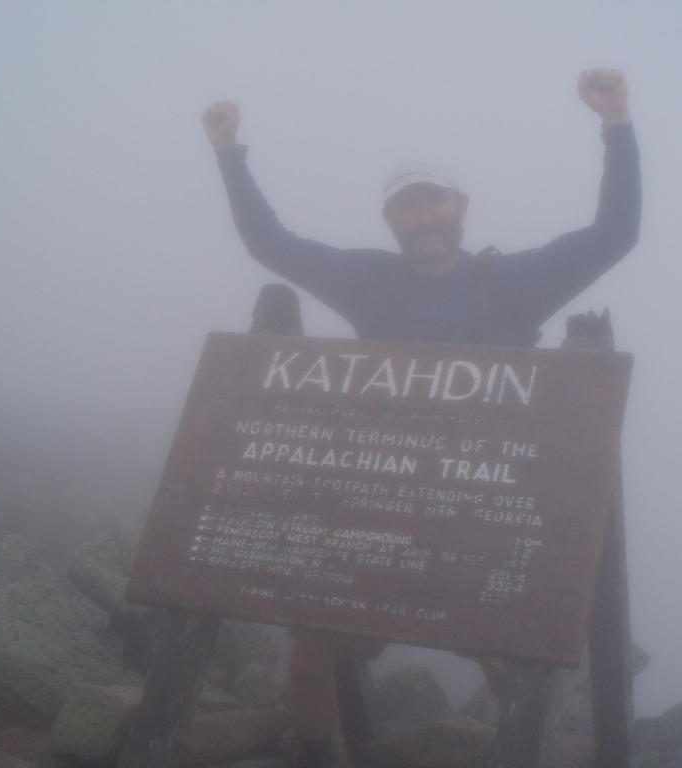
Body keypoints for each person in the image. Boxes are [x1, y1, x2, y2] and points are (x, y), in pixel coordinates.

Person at [202, 69, 640, 768]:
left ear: (459, 205)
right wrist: (229, 152)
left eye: (433, 202)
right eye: (407, 208)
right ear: (390, 220)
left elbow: (615, 234)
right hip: (378, 510)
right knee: (311, 661)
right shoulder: (369, 279)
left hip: (482, 516)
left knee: (506, 666)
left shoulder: (510, 283)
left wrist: (616, 125)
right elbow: (271, 245)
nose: (423, 218)